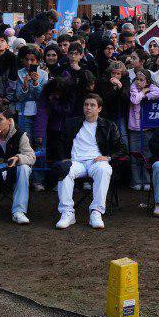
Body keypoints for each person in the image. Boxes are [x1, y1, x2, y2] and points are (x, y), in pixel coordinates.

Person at [50, 93, 123, 229]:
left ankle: (96, 212)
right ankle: (67, 213)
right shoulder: (71, 123)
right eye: (86, 105)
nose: (88, 107)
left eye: (92, 105)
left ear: (99, 109)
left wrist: (108, 157)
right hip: (76, 162)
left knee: (104, 169)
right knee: (64, 169)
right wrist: (64, 157)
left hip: (96, 161)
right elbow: (59, 142)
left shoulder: (109, 125)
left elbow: (121, 148)